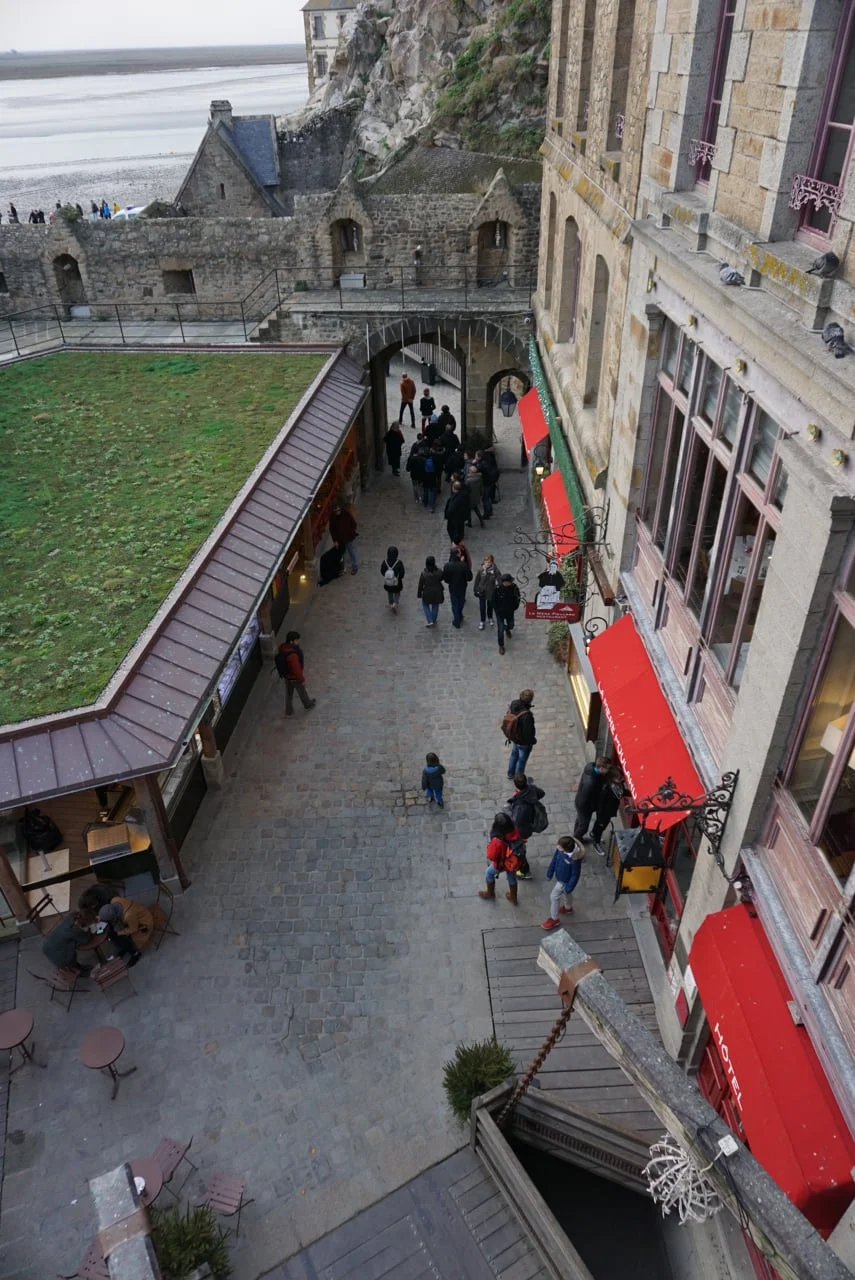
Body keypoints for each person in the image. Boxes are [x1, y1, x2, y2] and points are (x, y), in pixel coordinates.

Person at [478, 813, 522, 905]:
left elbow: (491, 856)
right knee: (511, 877)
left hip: (501, 863)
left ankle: (490, 893)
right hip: (512, 861)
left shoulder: (497, 840)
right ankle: (514, 898)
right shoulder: (516, 830)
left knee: (488, 873)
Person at [542, 836, 584, 929]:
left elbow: (575, 875)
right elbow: (554, 860)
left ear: (566, 849)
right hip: (561, 877)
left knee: (554, 896)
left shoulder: (574, 860)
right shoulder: (560, 850)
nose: (557, 847)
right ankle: (568, 908)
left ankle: (554, 919)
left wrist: (569, 887)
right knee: (567, 894)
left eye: (560, 846)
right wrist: (550, 872)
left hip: (564, 881)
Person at [98, 899, 153, 965]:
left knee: (120, 937)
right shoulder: (114, 900)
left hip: (143, 924)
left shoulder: (128, 915)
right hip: (133, 919)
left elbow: (133, 929)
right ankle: (125, 948)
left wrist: (118, 933)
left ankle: (135, 953)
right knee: (115, 933)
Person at [275, 630, 317, 715]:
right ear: (292, 641)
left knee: (289, 694)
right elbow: (296, 669)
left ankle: (289, 711)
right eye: (297, 640)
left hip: (287, 676)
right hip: (294, 677)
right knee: (302, 691)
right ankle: (308, 704)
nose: (298, 641)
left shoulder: (283, 647)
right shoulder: (292, 655)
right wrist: (302, 679)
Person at [574, 757, 612, 841]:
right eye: (608, 769)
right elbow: (587, 798)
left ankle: (577, 837)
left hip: (579, 801)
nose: (609, 771)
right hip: (584, 806)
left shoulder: (590, 767)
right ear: (601, 768)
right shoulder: (592, 782)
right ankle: (575, 841)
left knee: (579, 821)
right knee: (583, 827)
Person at [590, 767, 626, 855]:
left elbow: (623, 792)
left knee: (601, 826)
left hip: (609, 811)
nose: (621, 779)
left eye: (621, 777)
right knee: (601, 826)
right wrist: (601, 818)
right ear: (612, 778)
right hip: (604, 813)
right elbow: (600, 806)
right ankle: (596, 841)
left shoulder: (618, 785)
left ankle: (594, 833)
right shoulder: (606, 789)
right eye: (619, 778)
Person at [504, 690, 537, 777]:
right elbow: (528, 734)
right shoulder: (527, 715)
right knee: (521, 760)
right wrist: (533, 741)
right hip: (523, 742)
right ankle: (518, 778)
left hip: (514, 736)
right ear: (530, 700)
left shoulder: (514, 703)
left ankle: (510, 773)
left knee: (514, 755)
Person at [442, 547, 473, 628]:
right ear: (457, 554)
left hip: (453, 587)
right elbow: (469, 577)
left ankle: (457, 619)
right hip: (462, 586)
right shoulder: (463, 565)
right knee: (461, 601)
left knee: (455, 603)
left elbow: (445, 579)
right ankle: (458, 617)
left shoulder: (447, 566)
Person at [494, 573, 521, 655]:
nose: (511, 583)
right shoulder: (497, 589)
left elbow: (518, 597)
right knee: (500, 630)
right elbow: (493, 601)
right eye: (509, 582)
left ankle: (507, 628)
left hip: (510, 611)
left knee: (511, 625)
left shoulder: (514, 587)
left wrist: (515, 607)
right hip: (500, 613)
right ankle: (501, 645)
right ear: (504, 582)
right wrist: (497, 610)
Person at [329, 500, 358, 574]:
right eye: (336, 510)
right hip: (339, 540)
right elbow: (332, 530)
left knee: (351, 551)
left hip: (348, 537)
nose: (337, 511)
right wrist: (335, 540)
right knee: (341, 554)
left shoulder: (346, 514)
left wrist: (351, 532)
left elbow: (353, 524)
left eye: (338, 509)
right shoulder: (333, 517)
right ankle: (342, 569)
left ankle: (355, 567)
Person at [474, 553, 501, 630]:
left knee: (490, 606)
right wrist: (475, 590)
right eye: (486, 562)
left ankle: (490, 617)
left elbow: (499, 580)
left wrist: (497, 585)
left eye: (489, 562)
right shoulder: (481, 570)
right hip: (482, 591)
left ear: (492, 562)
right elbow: (477, 581)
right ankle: (482, 620)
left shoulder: (495, 571)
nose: (487, 564)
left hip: (491, 591)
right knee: (482, 607)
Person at [417, 555, 445, 627]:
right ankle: (433, 619)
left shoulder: (424, 574)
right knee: (435, 605)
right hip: (437, 592)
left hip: (427, 592)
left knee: (425, 604)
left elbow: (420, 585)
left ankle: (430, 620)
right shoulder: (439, 571)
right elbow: (442, 577)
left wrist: (419, 594)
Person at [381, 545, 405, 612]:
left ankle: (390, 603)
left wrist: (387, 576)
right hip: (396, 583)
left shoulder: (385, 562)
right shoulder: (399, 562)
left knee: (390, 593)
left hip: (388, 583)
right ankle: (395, 602)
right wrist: (399, 577)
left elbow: (382, 571)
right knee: (397, 592)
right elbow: (402, 573)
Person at [421, 443, 440, 511]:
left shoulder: (422, 460)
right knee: (432, 491)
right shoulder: (434, 459)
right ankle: (432, 505)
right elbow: (437, 468)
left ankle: (425, 503)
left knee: (425, 490)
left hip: (425, 477)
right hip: (432, 476)